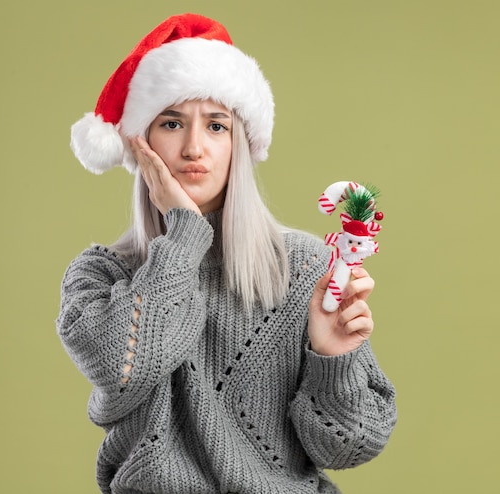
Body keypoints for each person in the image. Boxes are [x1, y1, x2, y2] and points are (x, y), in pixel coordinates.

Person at [57, 13, 397, 494]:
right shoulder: (100, 275)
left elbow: (349, 447)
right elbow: (123, 367)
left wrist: (331, 358)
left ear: (238, 142)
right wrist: (184, 236)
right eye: (172, 123)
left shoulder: (305, 267)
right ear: (141, 143)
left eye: (216, 126)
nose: (194, 147)